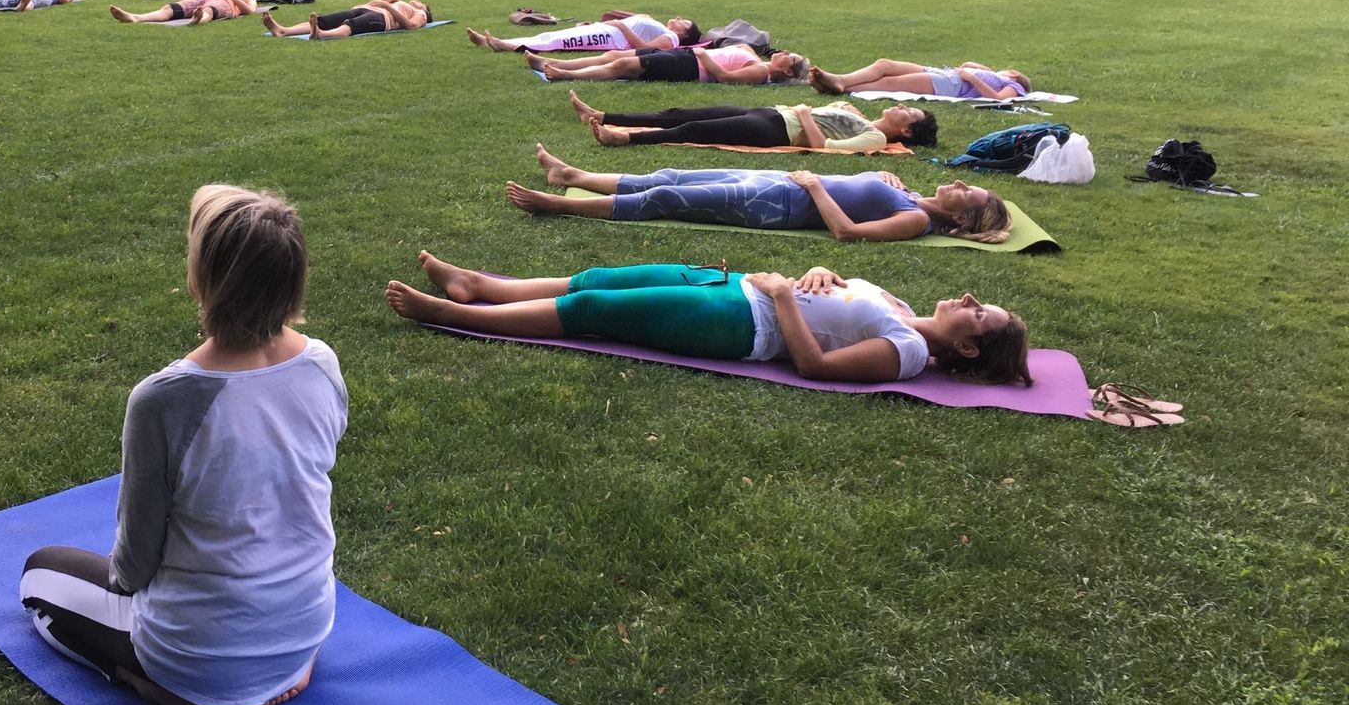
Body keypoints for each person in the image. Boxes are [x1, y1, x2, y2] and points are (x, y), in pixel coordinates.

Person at [20, 185, 347, 705]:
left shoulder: (165, 399)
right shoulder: (321, 364)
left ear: (200, 281)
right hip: (304, 629)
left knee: (39, 574)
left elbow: (134, 563)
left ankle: (152, 685)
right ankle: (264, 670)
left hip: (202, 663)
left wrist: (128, 591)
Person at [386, 252, 1030, 386]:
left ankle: (452, 312)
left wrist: (784, 298)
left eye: (979, 313)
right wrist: (816, 273)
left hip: (741, 324)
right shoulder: (899, 308)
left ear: (969, 350)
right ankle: (481, 284)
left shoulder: (909, 353)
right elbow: (833, 292)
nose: (968, 298)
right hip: (738, 285)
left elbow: (816, 365)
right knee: (599, 278)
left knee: (592, 311)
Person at [506, 145, 1013, 243]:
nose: (959, 183)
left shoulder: (917, 222)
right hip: (775, 181)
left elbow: (848, 233)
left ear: (961, 221)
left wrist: (815, 185)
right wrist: (883, 177)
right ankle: (573, 175)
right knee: (671, 176)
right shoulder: (912, 195)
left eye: (966, 193)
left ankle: (559, 204)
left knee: (665, 200)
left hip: (778, 205)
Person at [568, 89, 938, 152]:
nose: (901, 105)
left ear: (906, 130)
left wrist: (805, 114)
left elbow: (825, 147)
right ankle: (601, 115)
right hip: (769, 112)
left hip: (774, 130)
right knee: (678, 114)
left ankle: (624, 138)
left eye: (908, 111)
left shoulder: (875, 138)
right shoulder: (858, 115)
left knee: (693, 131)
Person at [527, 43, 810, 85]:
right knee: (614, 55)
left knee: (623, 66)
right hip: (687, 55)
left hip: (690, 66)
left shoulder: (760, 70)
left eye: (791, 56)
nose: (785, 52)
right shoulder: (754, 55)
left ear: (787, 70)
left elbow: (725, 78)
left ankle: (565, 74)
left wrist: (702, 56)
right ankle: (552, 61)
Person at [465, 12, 699, 53]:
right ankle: (494, 42)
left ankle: (502, 44)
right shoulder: (659, 24)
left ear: (685, 34)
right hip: (606, 30)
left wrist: (621, 26)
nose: (678, 19)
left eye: (683, 22)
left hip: (612, 38)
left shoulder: (672, 38)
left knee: (555, 40)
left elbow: (646, 49)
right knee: (555, 37)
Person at [809, 58, 1031, 100]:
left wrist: (973, 79)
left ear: (1013, 74)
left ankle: (843, 87)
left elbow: (999, 99)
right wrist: (974, 71)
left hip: (951, 85)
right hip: (945, 73)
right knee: (884, 65)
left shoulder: (1013, 84)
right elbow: (968, 64)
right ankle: (841, 80)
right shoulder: (993, 74)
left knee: (890, 84)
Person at [264, 0, 432, 38]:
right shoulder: (401, 4)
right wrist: (387, 1)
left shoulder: (420, 13)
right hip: (366, 10)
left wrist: (387, 6)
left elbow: (411, 26)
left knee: (350, 25)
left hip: (381, 19)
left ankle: (322, 34)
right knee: (323, 20)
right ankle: (283, 30)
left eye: (421, 2)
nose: (418, 0)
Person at [110, 0, 262, 25]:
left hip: (225, 4)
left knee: (209, 10)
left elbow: (250, 12)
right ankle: (135, 17)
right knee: (169, 9)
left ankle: (198, 19)